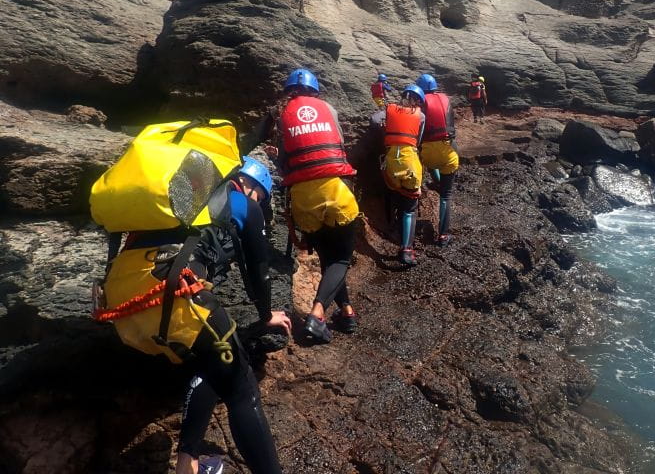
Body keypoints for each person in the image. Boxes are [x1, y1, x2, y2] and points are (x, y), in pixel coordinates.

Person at [98, 156, 290, 474]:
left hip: (121, 300)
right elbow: (259, 272)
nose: (258, 204)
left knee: (214, 361)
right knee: (242, 388)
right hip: (170, 293)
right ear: (251, 185)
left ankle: (188, 463)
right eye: (261, 197)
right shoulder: (242, 202)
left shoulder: (182, 199)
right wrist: (265, 313)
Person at [244, 68, 360, 343]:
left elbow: (283, 156)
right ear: (315, 91)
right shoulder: (327, 109)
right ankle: (317, 316)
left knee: (328, 259)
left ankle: (347, 311)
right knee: (341, 259)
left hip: (302, 199)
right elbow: (338, 142)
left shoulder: (280, 114)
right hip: (335, 190)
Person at [370, 84, 426, 265]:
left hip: (391, 162)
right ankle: (406, 250)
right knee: (410, 206)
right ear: (418, 100)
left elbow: (374, 119)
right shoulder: (421, 115)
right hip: (409, 161)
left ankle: (392, 226)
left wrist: (384, 133)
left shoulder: (389, 109)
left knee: (393, 192)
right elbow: (417, 140)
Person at [414, 73, 460, 247]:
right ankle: (443, 236)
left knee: (426, 160)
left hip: (426, 154)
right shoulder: (445, 98)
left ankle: (434, 181)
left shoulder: (421, 101)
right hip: (448, 152)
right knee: (446, 196)